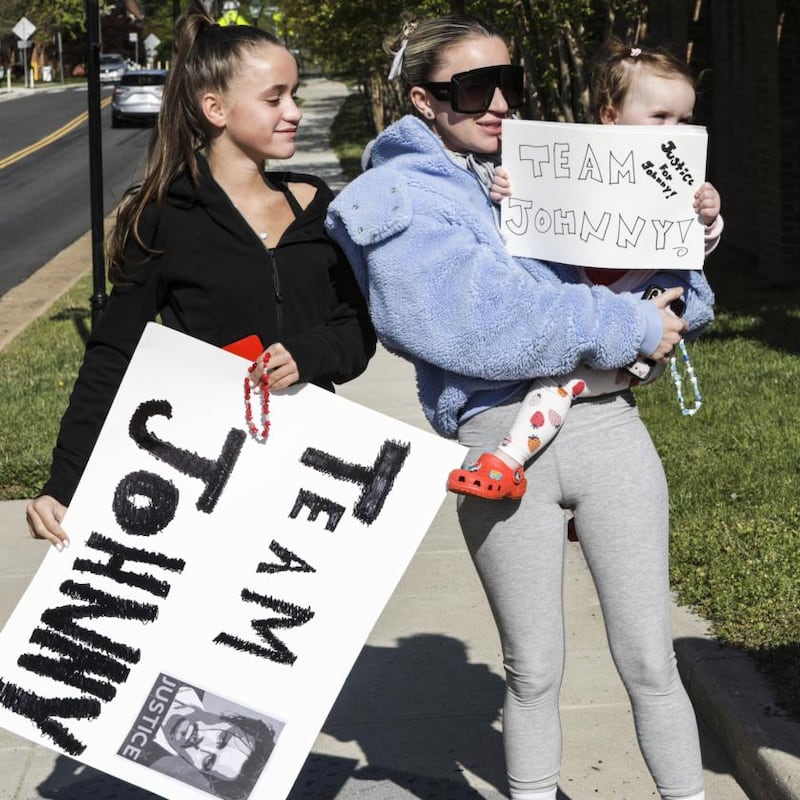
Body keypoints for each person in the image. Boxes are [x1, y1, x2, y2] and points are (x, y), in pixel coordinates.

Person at [325, 14, 712, 800]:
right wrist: (632, 324)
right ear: (423, 100)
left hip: (610, 426)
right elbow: (479, 326)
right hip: (500, 443)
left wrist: (689, 233)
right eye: (473, 86)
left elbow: (682, 299)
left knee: (650, 659)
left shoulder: (554, 169)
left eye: (511, 81)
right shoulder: (397, 194)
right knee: (533, 668)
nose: (499, 101)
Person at [25, 0, 376, 550]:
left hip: (310, 472)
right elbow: (113, 354)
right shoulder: (168, 215)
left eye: (295, 94)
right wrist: (64, 483)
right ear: (215, 108)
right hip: (204, 474)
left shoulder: (315, 206)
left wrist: (309, 355)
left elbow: (356, 329)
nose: (295, 112)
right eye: (274, 98)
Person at [448, 36, 723, 500]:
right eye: (659, 117)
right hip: (588, 307)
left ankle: (507, 461)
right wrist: (510, 196)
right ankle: (585, 501)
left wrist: (709, 218)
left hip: (646, 326)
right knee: (571, 387)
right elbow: (529, 230)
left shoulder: (682, 180)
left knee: (561, 385)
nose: (673, 129)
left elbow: (696, 247)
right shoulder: (577, 162)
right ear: (610, 116)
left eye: (684, 120)